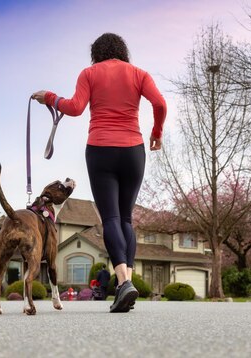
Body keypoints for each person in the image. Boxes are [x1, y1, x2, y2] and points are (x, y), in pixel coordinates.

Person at [32, 33, 166, 312]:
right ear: (122, 51)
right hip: (133, 151)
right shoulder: (139, 74)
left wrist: (50, 98)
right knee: (126, 219)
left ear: (96, 53)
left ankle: (123, 284)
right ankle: (125, 283)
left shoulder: (90, 73)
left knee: (111, 218)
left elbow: (76, 108)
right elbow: (160, 104)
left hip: (101, 150)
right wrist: (156, 133)